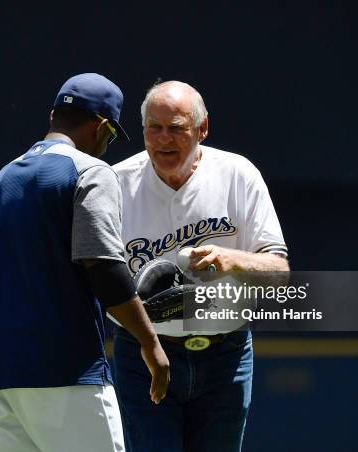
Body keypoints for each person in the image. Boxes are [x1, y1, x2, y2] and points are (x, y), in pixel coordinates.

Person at [0, 73, 170, 452]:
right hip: (65, 371)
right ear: (101, 126)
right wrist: (151, 344)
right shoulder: (89, 171)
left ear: (52, 116)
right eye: (111, 137)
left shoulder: (4, 177)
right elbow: (104, 268)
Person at [111, 81, 289, 452]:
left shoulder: (238, 174)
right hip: (144, 353)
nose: (163, 139)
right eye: (153, 128)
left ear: (202, 128)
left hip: (226, 354)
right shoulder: (116, 184)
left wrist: (232, 259)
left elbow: (279, 270)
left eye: (176, 128)